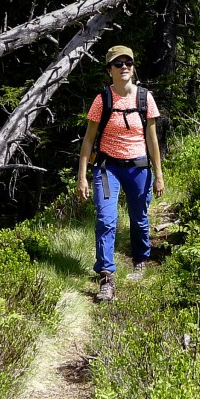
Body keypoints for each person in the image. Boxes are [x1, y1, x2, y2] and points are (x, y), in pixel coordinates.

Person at [77, 45, 165, 300]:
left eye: (128, 62)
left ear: (133, 67)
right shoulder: (102, 100)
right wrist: (82, 176)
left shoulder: (144, 98)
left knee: (139, 218)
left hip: (138, 168)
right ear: (109, 70)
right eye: (118, 64)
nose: (124, 67)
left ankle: (140, 259)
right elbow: (88, 141)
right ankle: (106, 276)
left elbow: (152, 140)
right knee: (106, 219)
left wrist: (158, 174)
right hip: (107, 170)